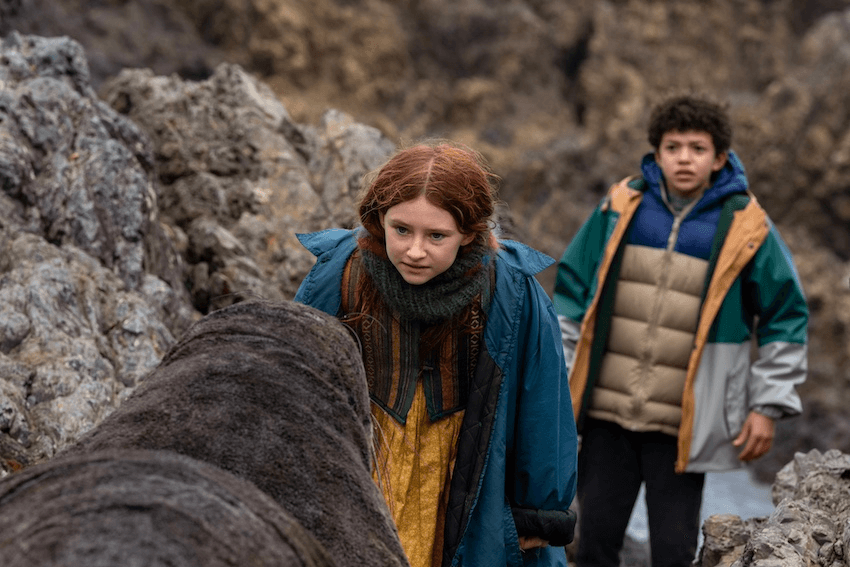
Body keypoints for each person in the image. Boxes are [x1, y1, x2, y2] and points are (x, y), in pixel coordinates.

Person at [294, 140, 578, 567]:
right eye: (401, 229)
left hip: (466, 479)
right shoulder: (339, 276)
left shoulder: (512, 294)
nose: (414, 250)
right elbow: (294, 385)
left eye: (437, 236)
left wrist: (539, 511)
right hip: (366, 471)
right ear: (378, 219)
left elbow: (544, 405)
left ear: (468, 232)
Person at [553, 94, 808, 567]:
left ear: (719, 157)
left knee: (673, 554)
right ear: (657, 152)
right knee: (592, 546)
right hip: (606, 416)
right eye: (673, 147)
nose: (684, 158)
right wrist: (559, 378)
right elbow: (571, 293)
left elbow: (785, 315)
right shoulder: (620, 207)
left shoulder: (744, 226)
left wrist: (767, 405)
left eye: (697, 148)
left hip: (682, 426)